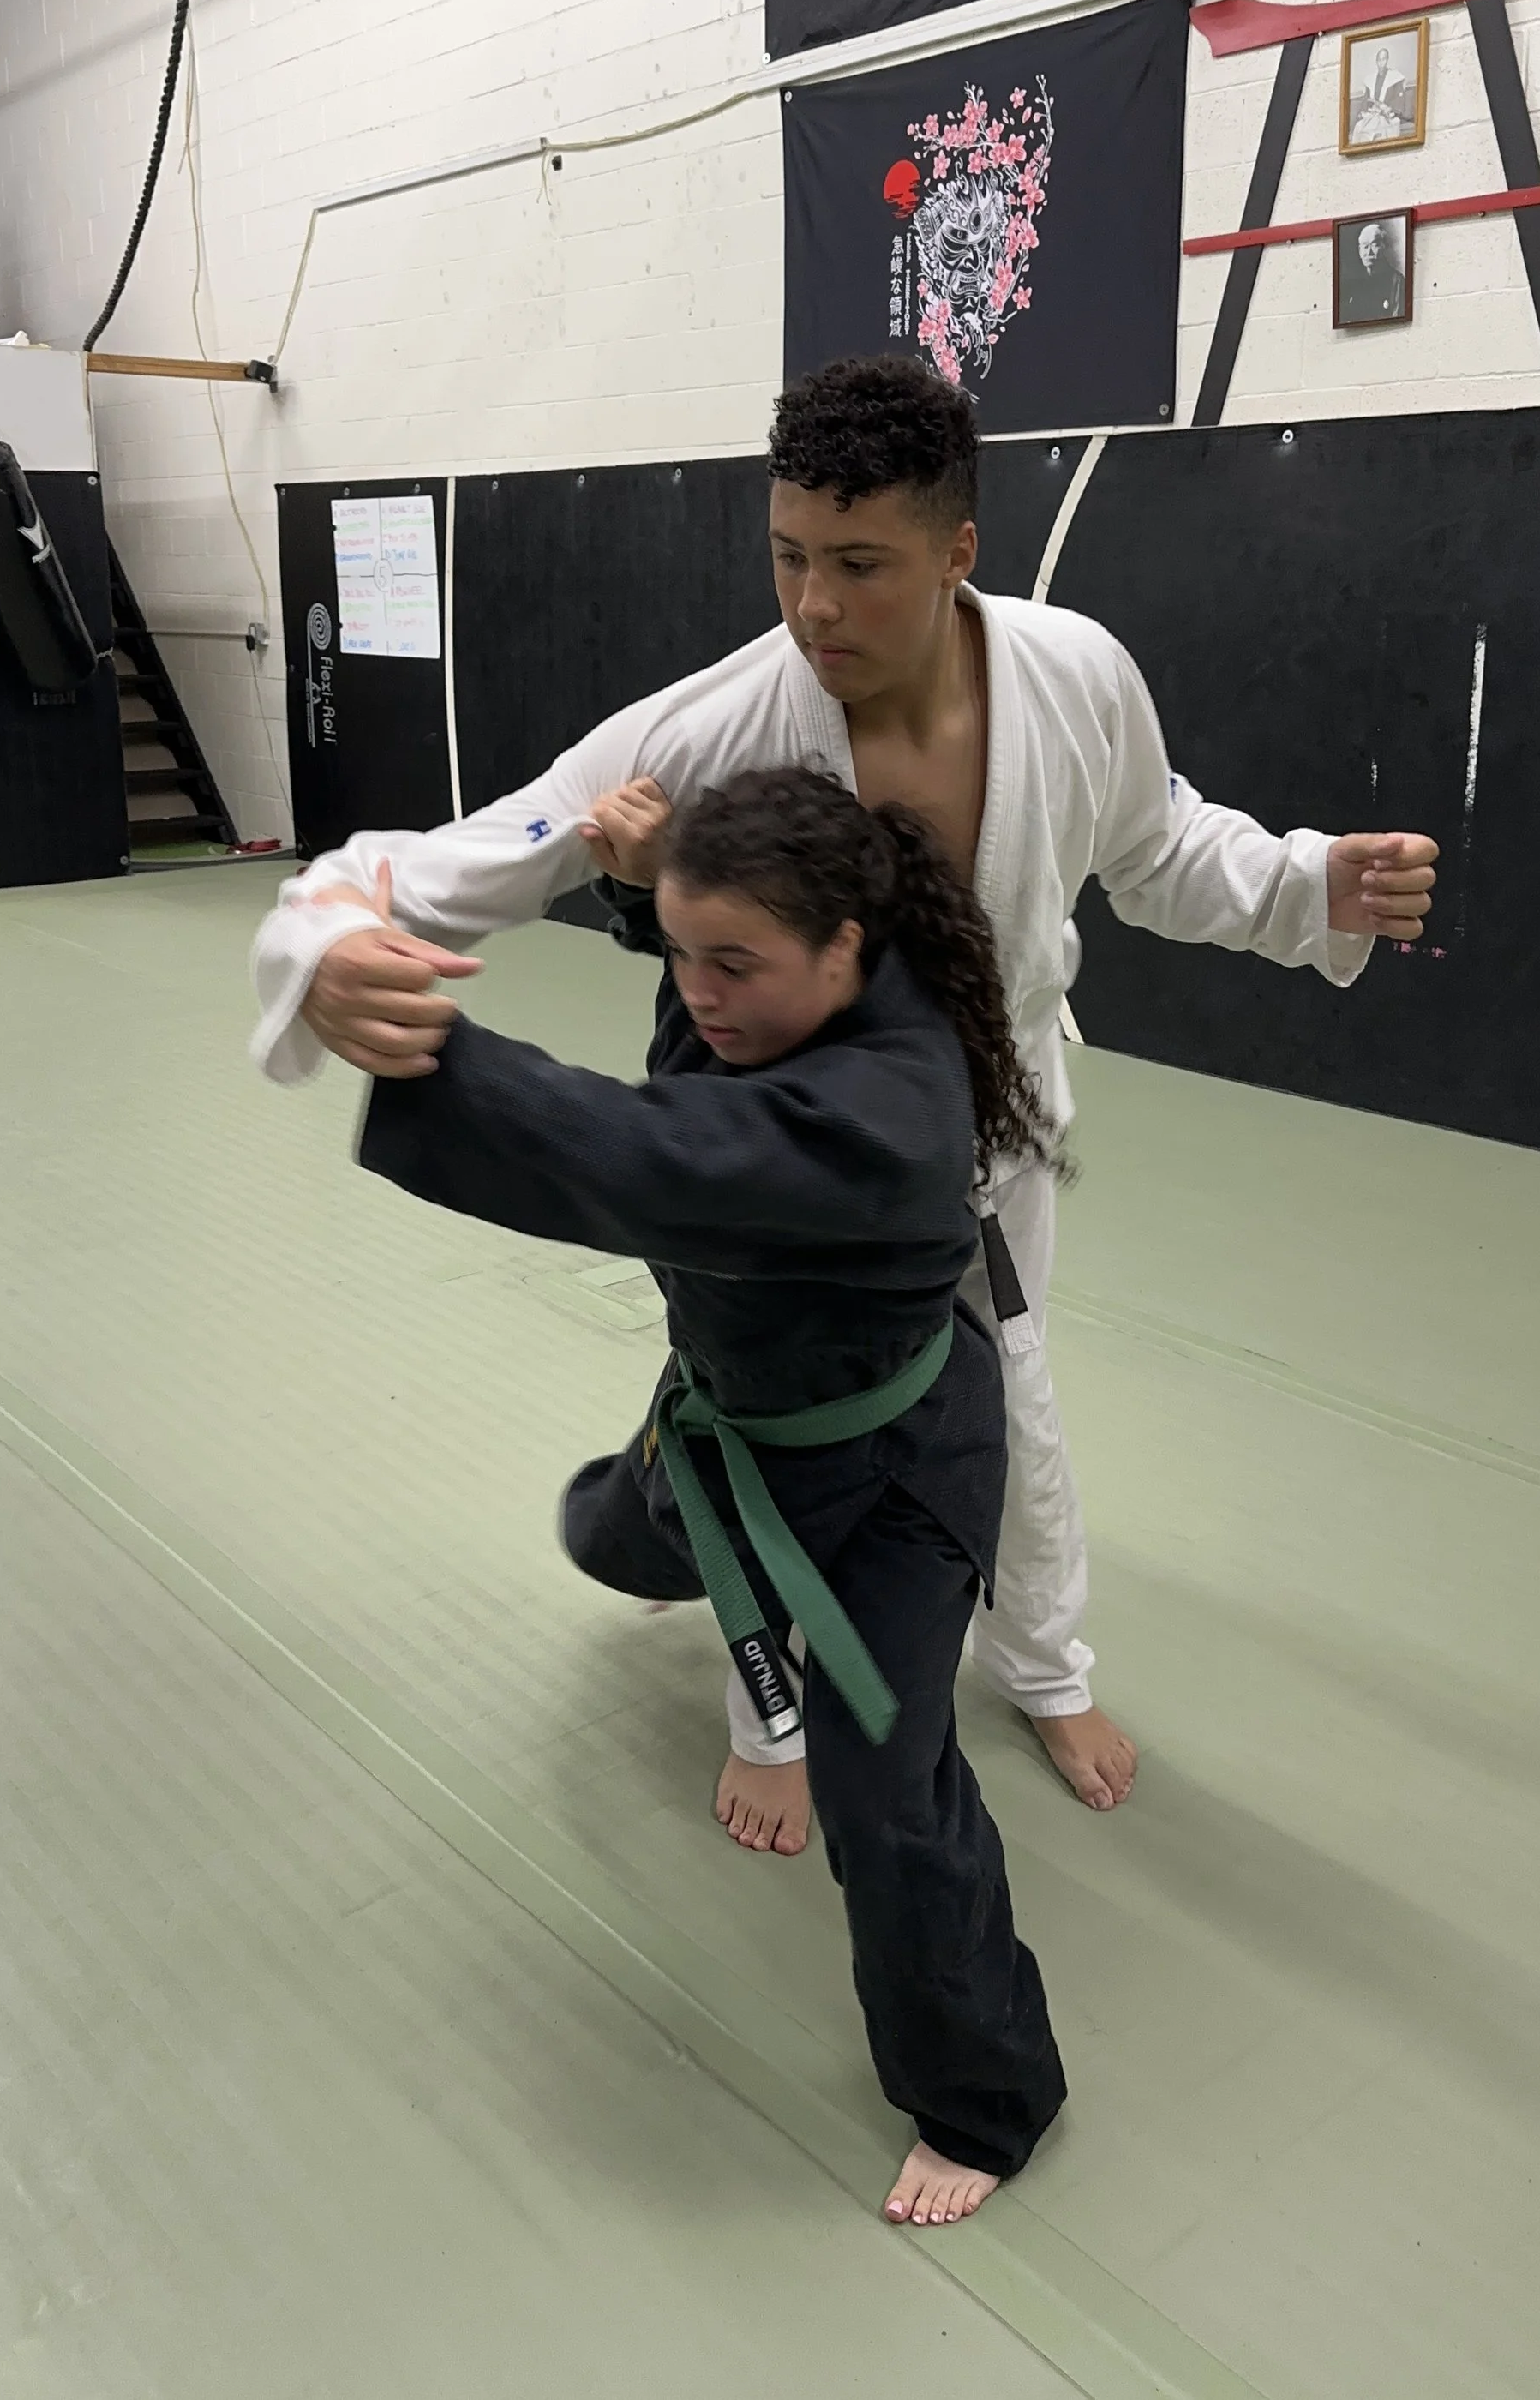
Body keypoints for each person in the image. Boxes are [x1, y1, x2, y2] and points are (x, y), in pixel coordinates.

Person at [251, 356, 1439, 1855]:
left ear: (958, 552)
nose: (815, 606)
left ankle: (1044, 1662)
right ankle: (770, 1712)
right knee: (778, 1425)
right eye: (789, 556)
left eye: (860, 565)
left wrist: (1301, 881)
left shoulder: (1075, 675)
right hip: (786, 1153)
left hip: (994, 1128)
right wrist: (330, 936)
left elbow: (1161, 843)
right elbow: (474, 851)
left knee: (1000, 1400)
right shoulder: (716, 724)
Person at [355, 767, 1067, 2228]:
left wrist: (414, 1039)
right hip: (732, 1429)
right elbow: (699, 1026)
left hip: (898, 1473)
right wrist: (639, 891)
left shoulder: (887, 1111)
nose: (701, 991)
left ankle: (986, 2101)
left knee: (886, 1782)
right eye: (682, 950)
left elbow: (647, 1151)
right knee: (611, 1535)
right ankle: (627, 1527)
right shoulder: (784, 988)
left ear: (849, 950)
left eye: (732, 960)